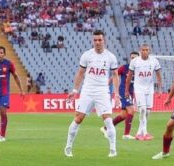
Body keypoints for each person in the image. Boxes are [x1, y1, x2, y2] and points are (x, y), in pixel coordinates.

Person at [65, 30, 120, 159]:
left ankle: (113, 149)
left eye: (100, 40)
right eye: (95, 40)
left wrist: (116, 93)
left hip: (102, 90)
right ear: (92, 41)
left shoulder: (111, 57)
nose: (97, 42)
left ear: (104, 40)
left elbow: (115, 75)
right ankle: (68, 146)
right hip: (87, 90)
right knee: (78, 118)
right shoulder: (87, 55)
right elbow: (80, 73)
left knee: (108, 119)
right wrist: (74, 91)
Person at [126, 44, 162, 140]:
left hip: (150, 88)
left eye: (147, 50)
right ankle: (145, 133)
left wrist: (159, 88)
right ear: (140, 51)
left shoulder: (154, 61)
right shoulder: (134, 61)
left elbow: (158, 75)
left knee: (148, 111)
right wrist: (126, 90)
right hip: (138, 87)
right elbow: (129, 76)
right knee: (142, 109)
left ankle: (139, 132)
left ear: (149, 51)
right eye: (143, 50)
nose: (145, 51)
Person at [106, 51, 138, 140]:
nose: (133, 59)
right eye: (132, 58)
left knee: (124, 115)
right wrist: (107, 83)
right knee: (131, 110)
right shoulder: (124, 68)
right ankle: (126, 134)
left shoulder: (139, 69)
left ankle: (106, 128)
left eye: (135, 58)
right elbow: (115, 75)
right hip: (123, 91)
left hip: (131, 92)